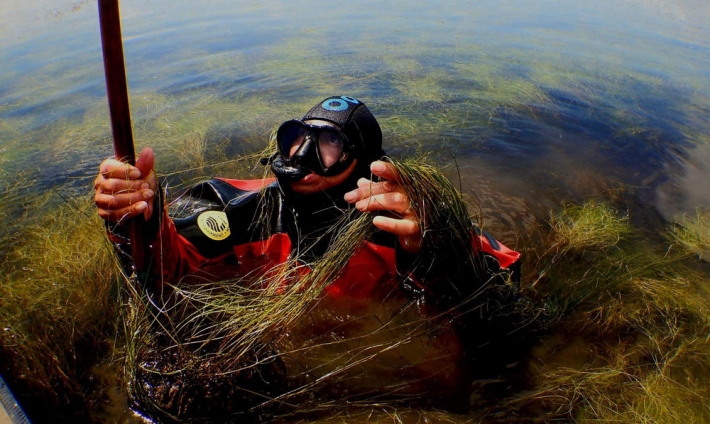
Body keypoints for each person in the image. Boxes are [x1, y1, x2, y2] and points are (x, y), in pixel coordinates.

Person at [94, 95, 520, 300]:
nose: (302, 155)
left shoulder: (400, 226)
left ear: (366, 165)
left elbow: (504, 272)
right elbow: (169, 267)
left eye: (330, 144)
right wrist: (139, 216)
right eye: (296, 138)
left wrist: (440, 250)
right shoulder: (243, 207)